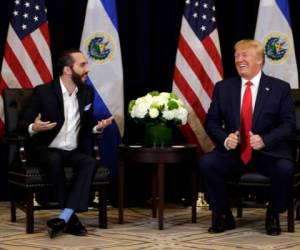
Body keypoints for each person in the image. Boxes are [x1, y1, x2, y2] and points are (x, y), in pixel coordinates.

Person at [199, 39, 295, 236]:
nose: (239, 59)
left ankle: (273, 214)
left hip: (268, 152)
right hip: (234, 153)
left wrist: (264, 139)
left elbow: (288, 124)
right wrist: (226, 139)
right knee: (207, 163)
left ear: (259, 60)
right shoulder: (223, 87)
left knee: (285, 168)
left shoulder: (280, 88)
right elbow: (211, 122)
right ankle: (223, 214)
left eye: (244, 55)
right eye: (236, 56)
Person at [19, 48, 113, 238]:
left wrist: (97, 128)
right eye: (83, 65)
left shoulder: (87, 93)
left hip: (70, 150)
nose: (88, 69)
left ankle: (65, 216)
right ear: (68, 70)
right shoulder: (43, 92)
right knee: (54, 159)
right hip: (45, 149)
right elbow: (21, 124)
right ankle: (71, 219)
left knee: (90, 161)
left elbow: (86, 127)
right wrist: (33, 127)